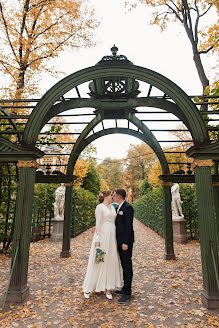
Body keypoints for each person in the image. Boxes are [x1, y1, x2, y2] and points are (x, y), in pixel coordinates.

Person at [83, 190, 122, 299]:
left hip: (112, 236)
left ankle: (108, 288)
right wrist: (97, 239)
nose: (113, 196)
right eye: (111, 195)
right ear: (106, 196)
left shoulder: (113, 207)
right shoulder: (100, 207)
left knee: (110, 261)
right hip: (103, 235)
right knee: (99, 260)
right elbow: (98, 224)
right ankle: (88, 288)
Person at [113, 189, 134, 304]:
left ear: (119, 197)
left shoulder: (128, 207)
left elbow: (129, 227)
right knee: (123, 264)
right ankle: (124, 288)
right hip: (120, 241)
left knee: (127, 265)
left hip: (125, 243)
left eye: (114, 195)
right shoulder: (119, 207)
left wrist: (126, 242)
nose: (113, 197)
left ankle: (127, 293)